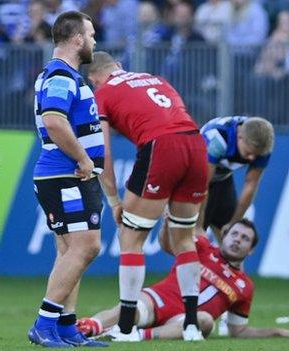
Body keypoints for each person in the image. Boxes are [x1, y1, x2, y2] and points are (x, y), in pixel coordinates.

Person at [87, 51, 209, 341]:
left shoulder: (102, 93)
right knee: (183, 239)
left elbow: (101, 152)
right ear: (119, 66)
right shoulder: (157, 79)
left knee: (130, 237)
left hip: (161, 147)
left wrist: (114, 201)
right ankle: (191, 325)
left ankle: (127, 327)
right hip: (195, 144)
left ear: (94, 79)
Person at [27, 11, 107, 348]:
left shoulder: (63, 74)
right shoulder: (61, 75)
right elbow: (54, 120)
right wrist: (83, 158)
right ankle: (44, 324)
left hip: (62, 175)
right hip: (66, 174)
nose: (94, 42)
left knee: (69, 252)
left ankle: (66, 326)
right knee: (87, 247)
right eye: (90, 35)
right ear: (76, 39)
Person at [77, 219, 289, 340]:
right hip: (160, 300)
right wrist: (168, 221)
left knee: (205, 321)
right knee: (130, 308)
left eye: (245, 239)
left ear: (251, 250)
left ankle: (137, 336)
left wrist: (278, 332)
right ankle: (89, 326)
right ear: (225, 235)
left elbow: (238, 330)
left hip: (185, 320)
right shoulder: (203, 247)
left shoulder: (245, 287)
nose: (237, 240)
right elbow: (169, 244)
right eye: (235, 234)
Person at [197, 116, 274, 240]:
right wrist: (198, 226)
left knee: (231, 237)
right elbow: (202, 185)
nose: (252, 159)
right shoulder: (217, 138)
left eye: (256, 155)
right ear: (239, 137)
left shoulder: (262, 145)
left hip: (222, 177)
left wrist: (234, 222)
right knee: (195, 238)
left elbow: (251, 185)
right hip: (196, 178)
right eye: (249, 153)